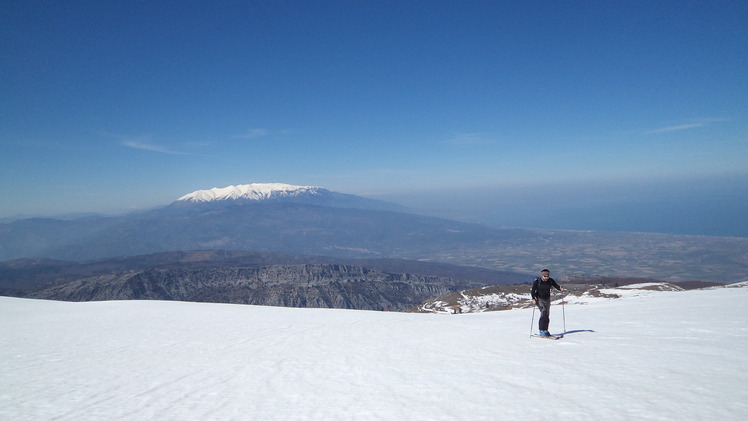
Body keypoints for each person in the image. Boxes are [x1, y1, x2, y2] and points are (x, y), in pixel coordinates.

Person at [531, 269, 564, 336]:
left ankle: (545, 330)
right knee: (544, 312)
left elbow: (556, 286)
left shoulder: (550, 281)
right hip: (539, 299)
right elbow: (533, 291)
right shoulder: (537, 282)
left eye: (547, 276)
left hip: (547, 299)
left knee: (547, 314)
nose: (546, 278)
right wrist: (533, 298)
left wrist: (560, 288)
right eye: (545, 276)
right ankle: (542, 330)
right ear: (542, 276)